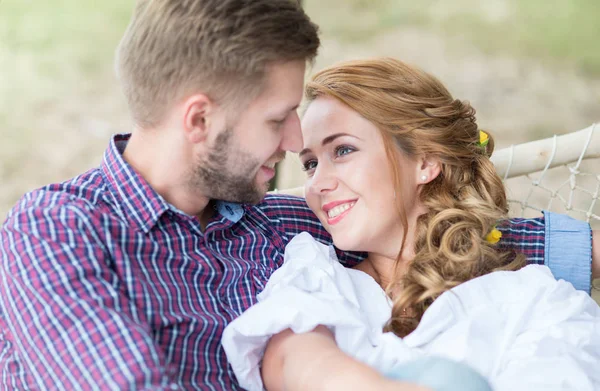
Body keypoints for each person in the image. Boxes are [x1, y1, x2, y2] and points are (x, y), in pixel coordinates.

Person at [0, 0, 598, 389]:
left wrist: (583, 250)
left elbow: (440, 233)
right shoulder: (57, 231)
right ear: (199, 119)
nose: (292, 144)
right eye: (279, 119)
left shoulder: (287, 224)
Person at [222, 58, 600, 391]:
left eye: (343, 150)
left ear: (425, 161)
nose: (318, 183)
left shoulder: (534, 301)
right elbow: (289, 362)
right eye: (310, 164)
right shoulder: (317, 276)